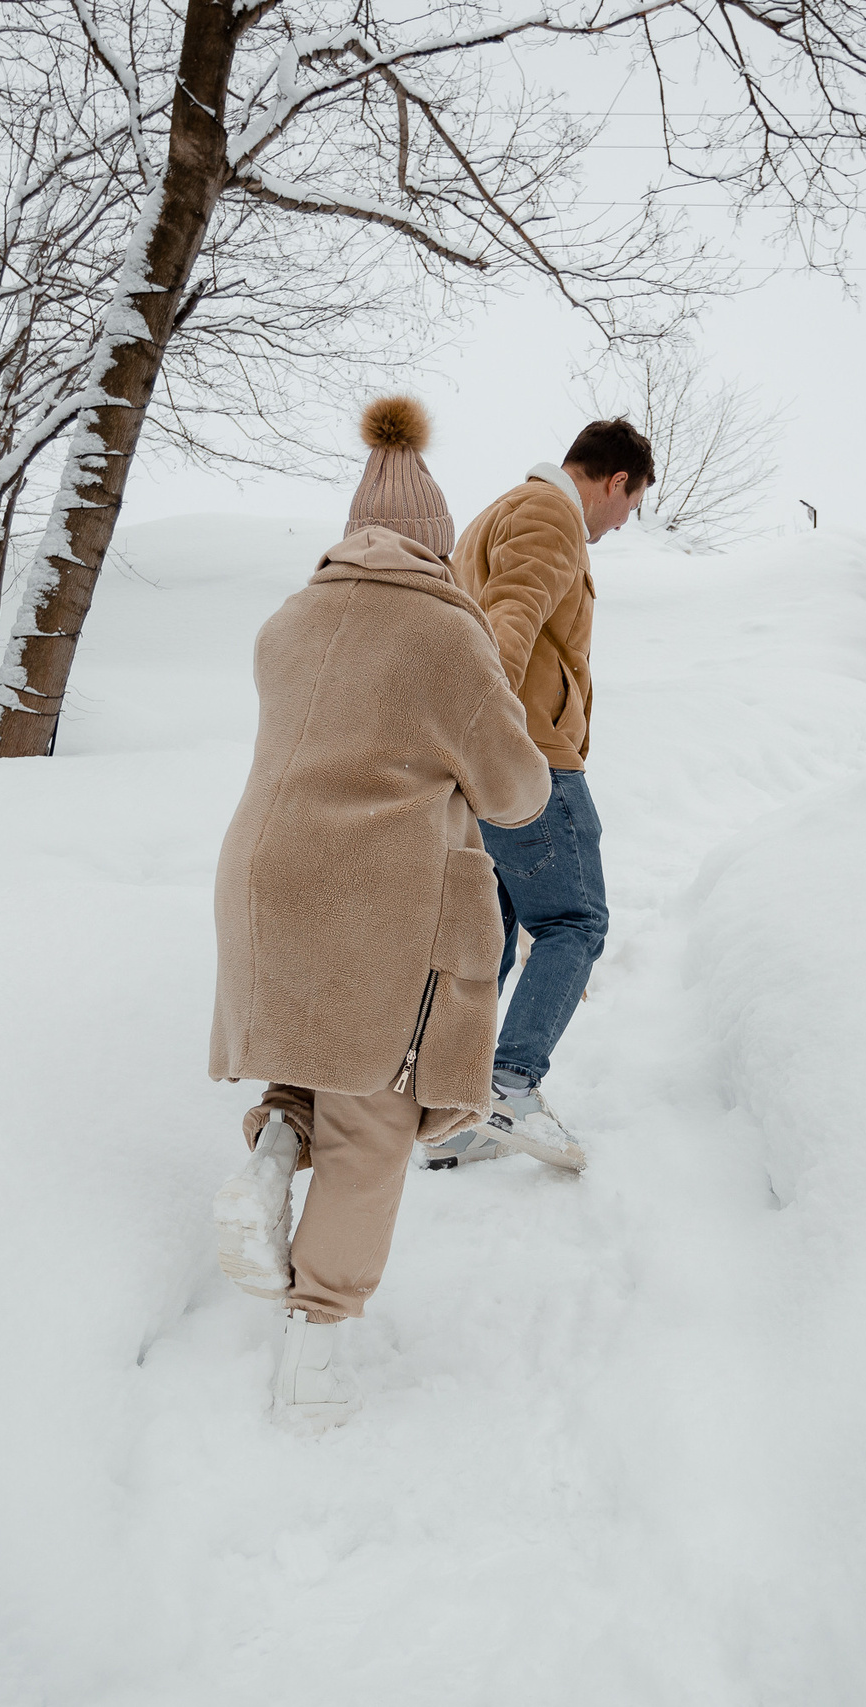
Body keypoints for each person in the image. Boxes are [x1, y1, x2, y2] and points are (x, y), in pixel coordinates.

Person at [208, 396, 550, 1428]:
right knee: (374, 1122)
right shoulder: (447, 635)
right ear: (436, 550)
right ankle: (316, 1347)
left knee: (317, 1068)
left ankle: (270, 1162)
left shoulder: (289, 620)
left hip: (264, 887)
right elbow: (514, 792)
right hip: (375, 902)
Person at [420, 418, 652, 1173]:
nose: (624, 521)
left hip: (491, 762)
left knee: (495, 932)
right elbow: (507, 625)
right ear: (615, 480)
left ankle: (456, 1107)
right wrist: (497, 743)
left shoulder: (496, 513)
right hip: (530, 764)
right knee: (575, 921)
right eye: (632, 502)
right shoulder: (552, 514)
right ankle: (509, 1089)